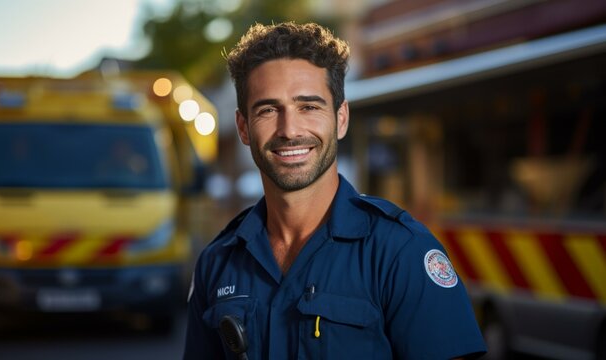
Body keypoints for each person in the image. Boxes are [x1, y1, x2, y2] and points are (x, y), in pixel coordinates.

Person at [183, 22, 487, 359]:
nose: (289, 130)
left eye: (309, 107)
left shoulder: (401, 253)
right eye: (268, 110)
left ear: (341, 119)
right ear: (243, 127)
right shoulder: (217, 262)